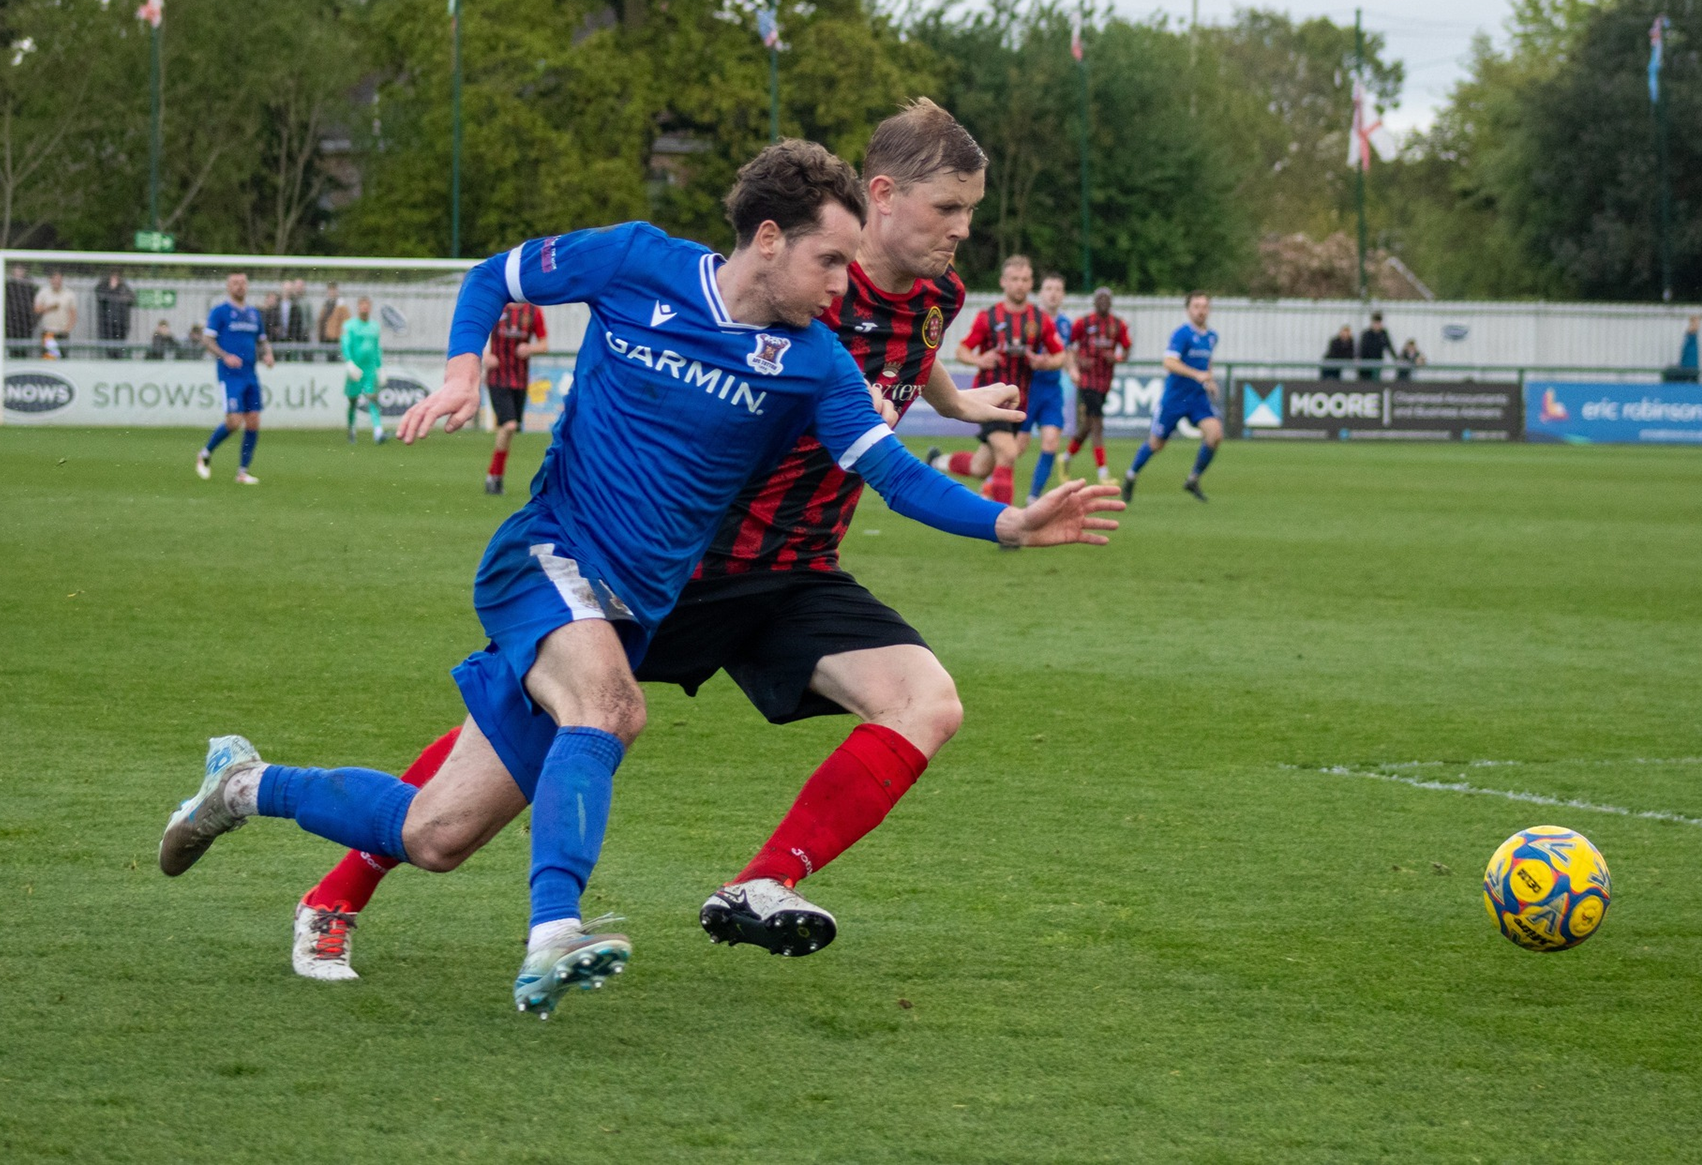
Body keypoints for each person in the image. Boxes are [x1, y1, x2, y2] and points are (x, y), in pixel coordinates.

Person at [158, 139, 1121, 1018]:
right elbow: (499, 274)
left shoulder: (824, 354)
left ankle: (243, 785)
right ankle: (549, 936)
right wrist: (460, 371)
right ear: (781, 237)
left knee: (439, 833)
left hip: (752, 578)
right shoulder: (637, 261)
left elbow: (891, 466)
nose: (845, 278)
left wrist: (1006, 520)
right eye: (833, 258)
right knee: (605, 707)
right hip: (559, 554)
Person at [929, 254, 1062, 508]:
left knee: (981, 467)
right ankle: (1005, 526)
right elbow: (962, 351)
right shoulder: (988, 317)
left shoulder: (1039, 319)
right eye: (1014, 279)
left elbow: (1059, 355)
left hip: (1018, 403)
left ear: (1031, 283)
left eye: (1025, 279)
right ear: (1003, 282)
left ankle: (938, 461)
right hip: (990, 401)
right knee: (1009, 453)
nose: (1020, 284)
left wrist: (1043, 362)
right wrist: (979, 360)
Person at [1123, 290, 1222, 504]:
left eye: (1204, 306)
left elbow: (1207, 364)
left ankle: (1193, 479)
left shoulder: (1212, 337)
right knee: (1156, 444)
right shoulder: (1182, 334)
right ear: (1188, 310)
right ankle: (1131, 475)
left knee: (1215, 435)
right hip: (1175, 399)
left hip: (1197, 399)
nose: (1201, 311)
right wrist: (1197, 375)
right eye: (1196, 306)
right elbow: (1168, 362)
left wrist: (1209, 381)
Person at [195, 273, 275, 485]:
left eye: (243, 283)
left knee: (254, 421)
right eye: (235, 283)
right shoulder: (220, 312)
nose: (240, 286)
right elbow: (207, 340)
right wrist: (225, 356)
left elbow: (262, 340)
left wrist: (268, 353)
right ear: (228, 287)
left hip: (250, 374)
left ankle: (242, 472)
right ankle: (205, 453)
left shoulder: (253, 314)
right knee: (234, 421)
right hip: (230, 376)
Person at [1061, 286, 1131, 483]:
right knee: (1098, 425)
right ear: (1094, 302)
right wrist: (1077, 361)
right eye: (1100, 299)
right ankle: (1103, 473)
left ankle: (1065, 457)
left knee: (1088, 426)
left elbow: (1126, 350)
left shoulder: (1118, 325)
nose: (1103, 302)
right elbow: (1069, 346)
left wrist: (1116, 358)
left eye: (1106, 299)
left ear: (1111, 302)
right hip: (1087, 380)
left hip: (1104, 381)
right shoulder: (1083, 323)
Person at [482, 297, 546, 494]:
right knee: (508, 425)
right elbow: (479, 334)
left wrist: (530, 348)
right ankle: (493, 476)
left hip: (519, 379)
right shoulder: (495, 307)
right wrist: (486, 356)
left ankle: (496, 477)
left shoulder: (533, 312)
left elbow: (544, 344)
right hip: (497, 379)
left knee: (511, 428)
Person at [1022, 271, 1072, 504]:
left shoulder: (1065, 324)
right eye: (1049, 289)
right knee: (1014, 448)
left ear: (1063, 295)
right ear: (1040, 293)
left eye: (1058, 290)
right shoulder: (1029, 319)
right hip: (1027, 388)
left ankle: (1033, 498)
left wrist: (1072, 370)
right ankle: (990, 487)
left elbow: (1066, 352)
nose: (1053, 294)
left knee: (1051, 442)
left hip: (1052, 391)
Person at [341, 295, 385, 444]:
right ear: (358, 307)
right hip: (355, 370)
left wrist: (380, 367)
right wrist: (349, 363)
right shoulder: (350, 326)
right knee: (353, 401)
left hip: (370, 370)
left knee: (373, 399)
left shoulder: (374, 327)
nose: (365, 308)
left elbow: (377, 349)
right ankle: (351, 429)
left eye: (367, 305)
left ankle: (378, 431)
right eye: (362, 305)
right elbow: (345, 344)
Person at [94, 269, 136, 359]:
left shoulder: (124, 288)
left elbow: (132, 299)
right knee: (109, 348)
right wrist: (112, 290)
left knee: (120, 348)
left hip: (121, 325)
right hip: (107, 325)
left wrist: (118, 297)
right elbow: (100, 295)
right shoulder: (103, 288)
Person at [32, 269, 77, 351]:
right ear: (50, 280)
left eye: (59, 279)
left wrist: (68, 329)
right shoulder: (43, 293)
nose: (56, 281)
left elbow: (73, 314)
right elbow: (36, 310)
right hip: (48, 332)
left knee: (62, 360)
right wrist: (49, 307)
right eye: (54, 279)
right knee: (50, 359)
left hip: (62, 333)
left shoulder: (69, 294)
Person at [4, 264, 38, 355]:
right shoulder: (8, 285)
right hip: (11, 324)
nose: (19, 272)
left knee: (24, 350)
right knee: (12, 349)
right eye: (17, 269)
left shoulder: (29, 287)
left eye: (21, 270)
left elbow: (33, 305)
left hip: (25, 324)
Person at [1358, 311, 1395, 381]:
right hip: (1366, 364)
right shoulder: (1366, 334)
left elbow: (1389, 347)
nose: (1377, 325)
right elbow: (1361, 348)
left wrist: (1396, 358)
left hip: (1377, 363)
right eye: (1375, 323)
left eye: (1379, 323)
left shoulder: (1383, 334)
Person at [318, 282, 350, 362]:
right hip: (327, 337)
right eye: (330, 290)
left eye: (333, 290)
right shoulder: (326, 304)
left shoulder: (341, 305)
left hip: (337, 337)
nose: (331, 293)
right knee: (329, 358)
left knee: (336, 358)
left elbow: (346, 320)